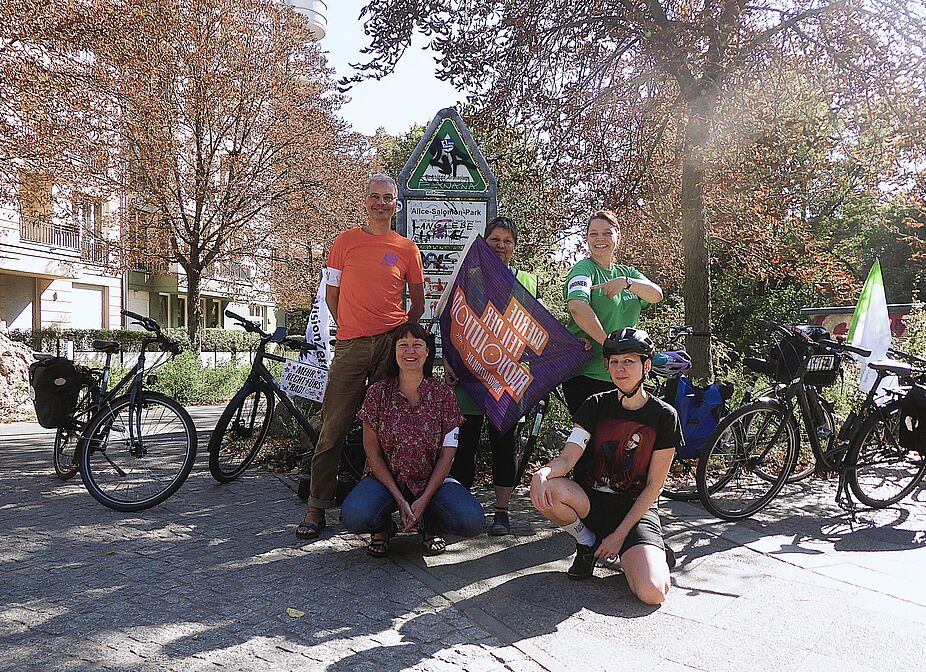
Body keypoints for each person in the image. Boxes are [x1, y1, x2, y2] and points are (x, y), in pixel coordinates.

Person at [296, 174, 425, 540]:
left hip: (390, 346)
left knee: (388, 429)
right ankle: (317, 506)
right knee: (333, 425)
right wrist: (350, 327)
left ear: (396, 205)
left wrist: (397, 335)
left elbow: (417, 304)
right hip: (350, 345)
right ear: (366, 201)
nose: (381, 203)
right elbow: (331, 295)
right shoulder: (344, 242)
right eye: (375, 196)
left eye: (388, 198)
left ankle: (380, 518)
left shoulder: (407, 248)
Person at [530, 328, 682, 604]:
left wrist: (619, 536)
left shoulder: (664, 416)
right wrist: (542, 473)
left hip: (634, 511)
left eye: (629, 361)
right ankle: (587, 543)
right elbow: (568, 458)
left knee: (653, 592)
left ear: (646, 366)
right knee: (548, 489)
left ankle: (646, 551)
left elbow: (654, 486)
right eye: (614, 362)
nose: (620, 368)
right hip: (591, 502)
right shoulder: (595, 405)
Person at [340, 322, 485, 556]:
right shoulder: (377, 393)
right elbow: (372, 452)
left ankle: (430, 523)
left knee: (472, 520)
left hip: (431, 481)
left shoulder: (444, 395)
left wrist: (424, 499)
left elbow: (447, 455)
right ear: (395, 351)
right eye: (403, 345)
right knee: (355, 516)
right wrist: (399, 499)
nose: (410, 351)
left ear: (427, 352)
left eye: (417, 345)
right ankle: (382, 528)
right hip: (385, 481)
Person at [445, 216, 538, 536]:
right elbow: (449, 321)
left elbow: (538, 329)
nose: (501, 245)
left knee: (504, 447)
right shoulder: (467, 277)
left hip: (508, 380)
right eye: (495, 239)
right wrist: (449, 362)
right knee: (464, 447)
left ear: (515, 246)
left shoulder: (527, 281)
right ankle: (460, 512)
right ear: (484, 243)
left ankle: (502, 512)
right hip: (470, 377)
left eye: (507, 241)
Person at [562, 210, 663, 415]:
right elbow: (577, 307)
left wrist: (627, 283)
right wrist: (612, 348)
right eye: (594, 234)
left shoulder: (627, 273)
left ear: (618, 236)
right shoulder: (583, 270)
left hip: (627, 378)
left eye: (607, 233)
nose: (600, 239)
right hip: (588, 376)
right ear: (587, 238)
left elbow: (656, 295)